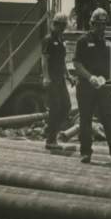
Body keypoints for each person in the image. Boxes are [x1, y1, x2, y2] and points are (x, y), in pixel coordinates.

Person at [73, 7, 111, 165]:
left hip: (104, 86)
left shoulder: (107, 43)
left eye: (103, 25)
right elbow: (77, 63)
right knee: (85, 120)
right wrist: (89, 77)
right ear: (92, 24)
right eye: (98, 25)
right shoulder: (83, 41)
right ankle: (86, 152)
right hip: (86, 87)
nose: (101, 28)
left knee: (108, 118)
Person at [41, 12, 71, 150]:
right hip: (52, 78)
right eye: (61, 25)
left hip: (60, 78)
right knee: (55, 108)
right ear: (56, 24)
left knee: (66, 106)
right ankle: (51, 140)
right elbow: (44, 60)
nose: (63, 28)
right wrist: (46, 77)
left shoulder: (60, 40)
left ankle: (50, 129)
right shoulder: (48, 40)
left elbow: (62, 61)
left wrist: (68, 75)